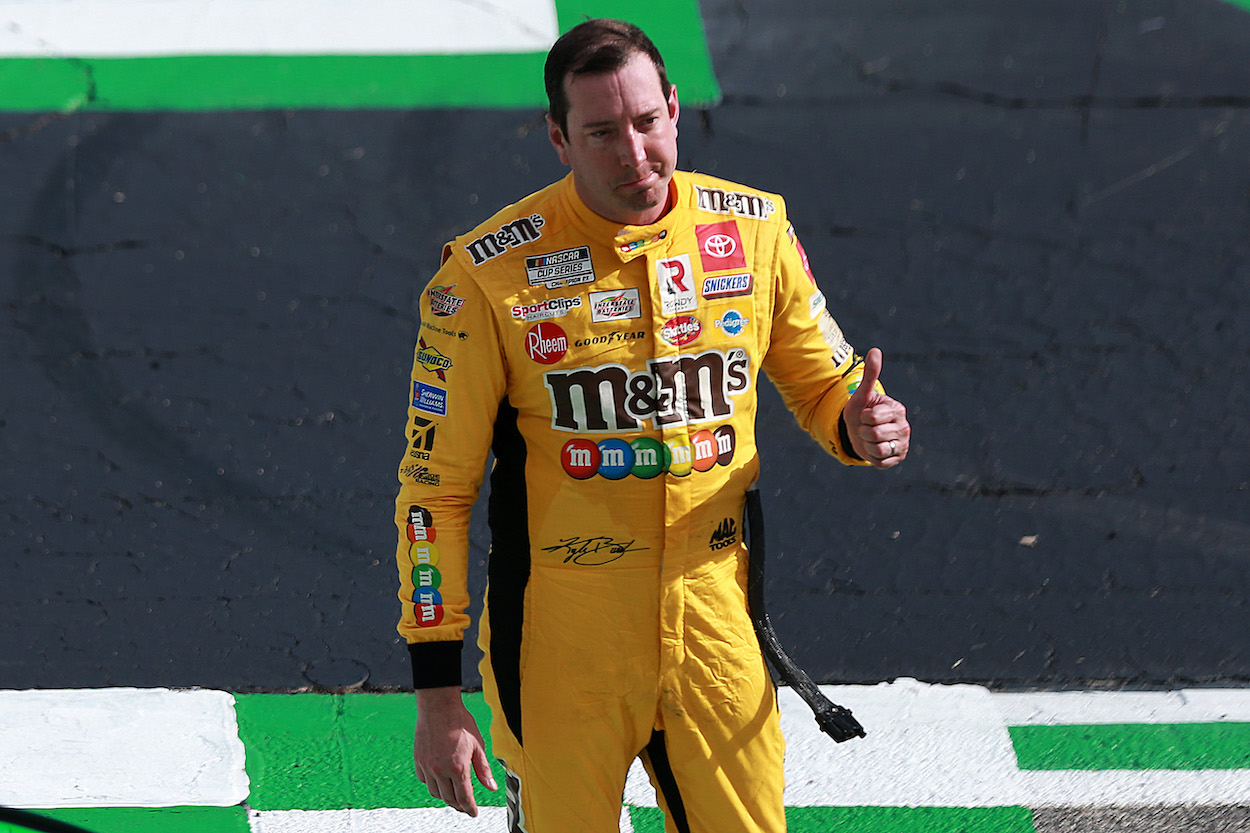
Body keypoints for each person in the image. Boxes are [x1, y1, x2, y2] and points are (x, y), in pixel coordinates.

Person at [394, 17, 911, 831]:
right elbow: (435, 495)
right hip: (559, 644)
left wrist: (857, 420)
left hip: (716, 621)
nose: (633, 154)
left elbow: (825, 385)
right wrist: (436, 693)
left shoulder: (754, 230)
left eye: (645, 123)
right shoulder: (483, 278)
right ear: (559, 140)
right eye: (601, 133)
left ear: (674, 107)